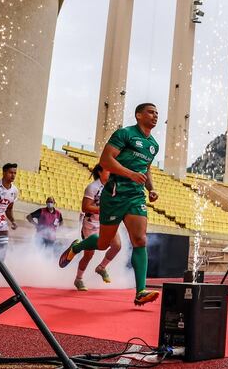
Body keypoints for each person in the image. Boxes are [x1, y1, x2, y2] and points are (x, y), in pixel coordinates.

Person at [58, 103, 160, 306]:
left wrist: (151, 188)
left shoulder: (154, 145)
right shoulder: (125, 134)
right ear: (138, 115)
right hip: (115, 193)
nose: (155, 115)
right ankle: (77, 246)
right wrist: (130, 174)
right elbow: (105, 160)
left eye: (157, 113)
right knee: (104, 243)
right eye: (150, 112)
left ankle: (140, 291)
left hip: (136, 196)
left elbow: (146, 169)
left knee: (140, 240)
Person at [73, 164, 122, 291]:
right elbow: (85, 207)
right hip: (91, 224)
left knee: (117, 245)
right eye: (108, 170)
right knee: (89, 255)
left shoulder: (113, 187)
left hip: (106, 222)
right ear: (100, 172)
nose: (110, 173)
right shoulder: (92, 187)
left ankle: (102, 267)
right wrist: (103, 210)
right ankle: (78, 279)